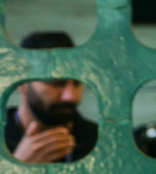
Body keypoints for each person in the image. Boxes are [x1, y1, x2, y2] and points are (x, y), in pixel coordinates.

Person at [4, 31, 97, 163]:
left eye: (77, 83)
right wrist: (19, 167)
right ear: (22, 83)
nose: (70, 96)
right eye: (56, 83)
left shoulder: (101, 141)